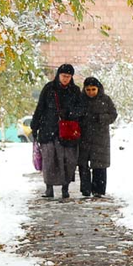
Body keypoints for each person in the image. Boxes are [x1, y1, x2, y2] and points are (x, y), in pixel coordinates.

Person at [30, 64, 84, 199]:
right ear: (58, 75)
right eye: (63, 76)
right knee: (49, 159)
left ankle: (65, 188)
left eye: (68, 76)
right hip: (48, 129)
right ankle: (49, 188)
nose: (65, 79)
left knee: (67, 160)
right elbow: (40, 107)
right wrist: (34, 126)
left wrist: (69, 113)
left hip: (67, 132)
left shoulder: (75, 91)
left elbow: (80, 109)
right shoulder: (49, 88)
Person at [78, 76, 118, 197]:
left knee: (100, 165)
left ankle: (99, 191)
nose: (90, 92)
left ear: (98, 88)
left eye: (93, 89)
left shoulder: (105, 100)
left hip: (100, 137)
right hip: (84, 137)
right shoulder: (81, 100)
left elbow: (113, 115)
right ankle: (85, 189)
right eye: (88, 89)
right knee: (83, 164)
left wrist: (100, 118)